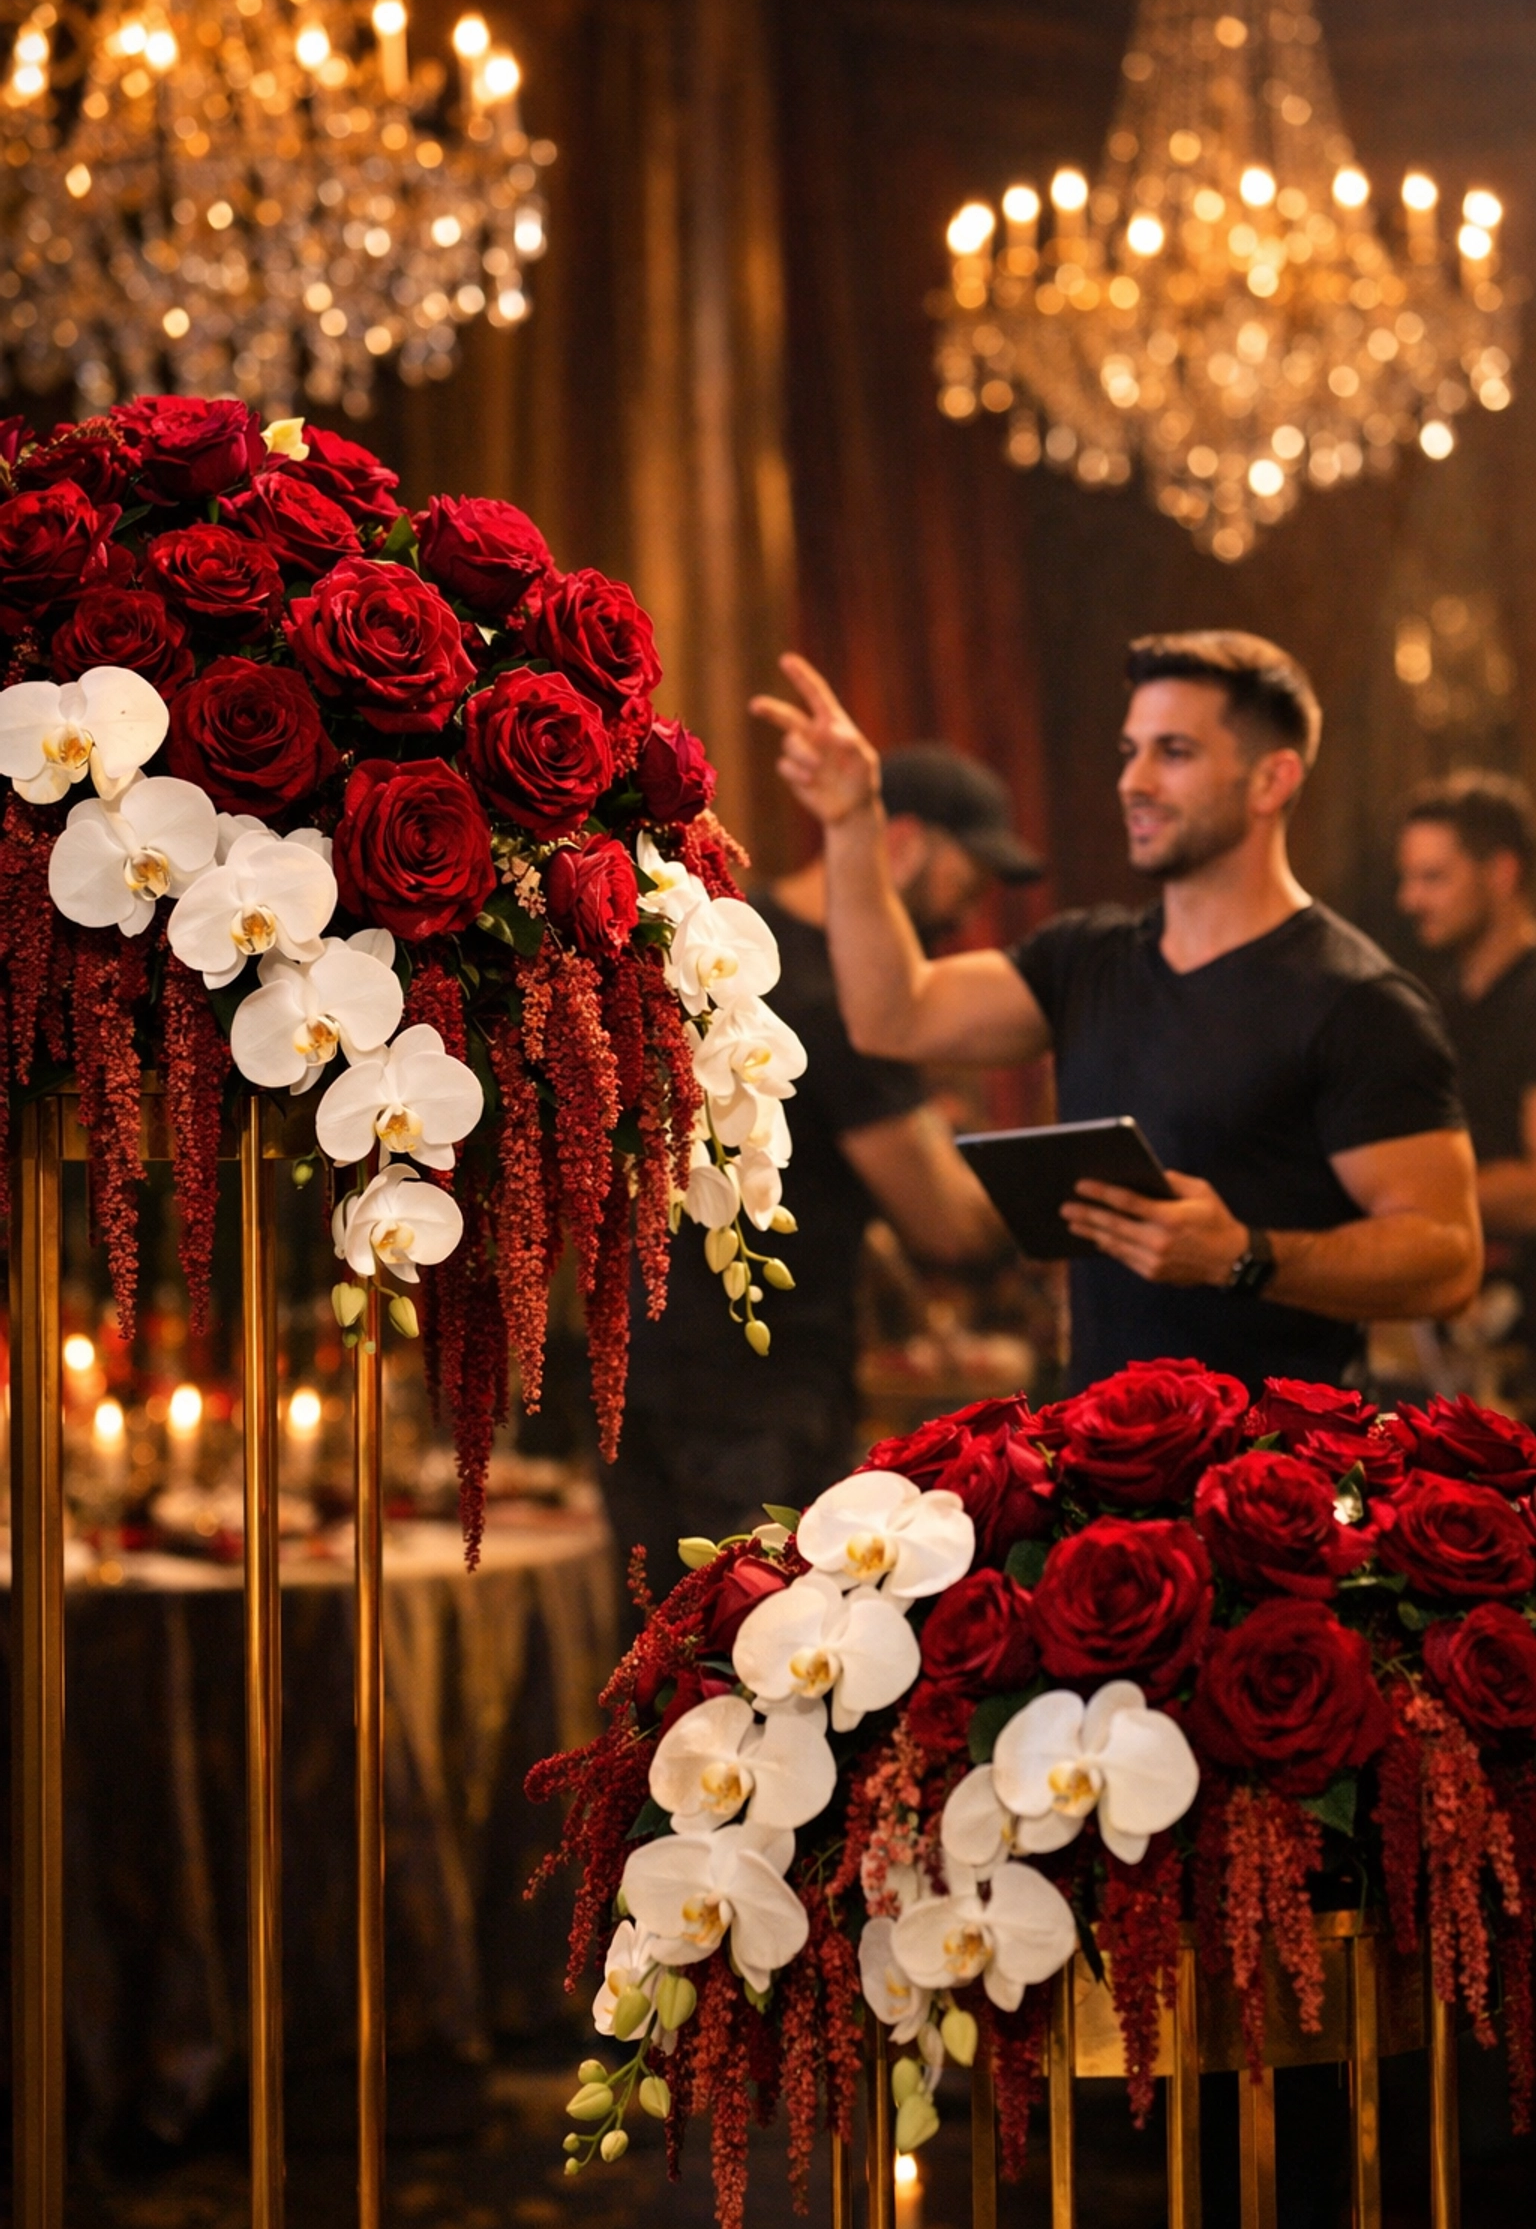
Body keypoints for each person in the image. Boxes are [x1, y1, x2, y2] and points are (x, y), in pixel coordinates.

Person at [751, 633, 1482, 1396]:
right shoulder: (1086, 958)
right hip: (1099, 1448)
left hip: (1274, 1457)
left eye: (1174, 753)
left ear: (1272, 780)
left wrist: (1244, 1254)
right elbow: (893, 1016)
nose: (1134, 781)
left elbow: (1448, 1262)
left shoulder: (1359, 1002)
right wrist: (852, 823)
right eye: (1130, 752)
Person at [605, 744, 1032, 1597]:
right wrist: (1060, 1204)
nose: (973, 909)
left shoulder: (734, 940)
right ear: (903, 843)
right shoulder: (851, 992)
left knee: (655, 1654)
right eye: (971, 876)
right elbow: (944, 1224)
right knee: (755, 1654)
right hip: (763, 1395)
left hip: (637, 1370)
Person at [1397, 772, 1536, 1378]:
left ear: (1501, 873)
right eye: (1407, 878)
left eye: (1433, 877)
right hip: (1453, 1339)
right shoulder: (1435, 1006)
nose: (1410, 900)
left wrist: (1397, 1201)